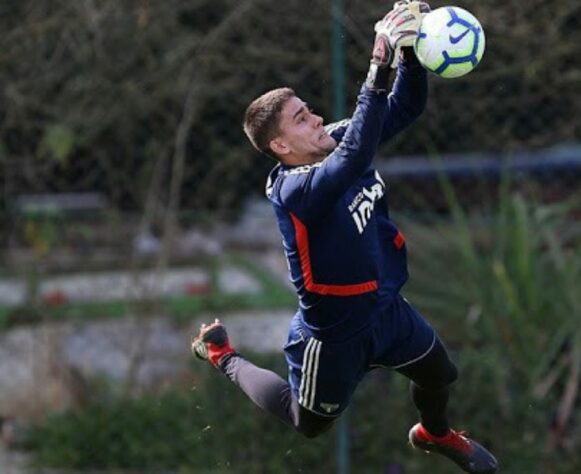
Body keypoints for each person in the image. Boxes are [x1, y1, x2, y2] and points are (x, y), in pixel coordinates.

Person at [191, 2, 498, 472]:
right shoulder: (294, 190)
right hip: (333, 335)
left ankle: (434, 434)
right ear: (280, 146)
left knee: (440, 374)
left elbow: (405, 107)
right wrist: (378, 63)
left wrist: (411, 54)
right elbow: (353, 157)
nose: (315, 119)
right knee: (308, 422)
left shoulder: (335, 140)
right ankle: (222, 355)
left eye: (308, 110)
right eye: (300, 119)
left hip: (384, 306)